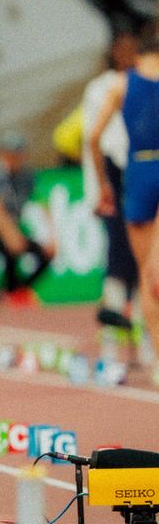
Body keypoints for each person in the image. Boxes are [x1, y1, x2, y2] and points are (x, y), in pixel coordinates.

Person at [88, 21, 159, 382]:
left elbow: (93, 138)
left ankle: (156, 355)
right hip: (147, 169)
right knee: (149, 267)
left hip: (137, 172)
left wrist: (102, 185)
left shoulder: (121, 85)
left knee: (147, 271)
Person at [79, 33, 140, 336]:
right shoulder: (102, 88)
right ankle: (116, 304)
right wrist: (96, 187)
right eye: (123, 48)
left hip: (141, 167)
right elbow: (92, 139)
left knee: (142, 242)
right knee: (120, 237)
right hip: (114, 170)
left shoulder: (145, 81)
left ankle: (138, 309)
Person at [0, 133, 53, 303]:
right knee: (9, 246)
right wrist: (9, 232)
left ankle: (18, 291)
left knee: (45, 253)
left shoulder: (27, 175)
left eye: (18, 154)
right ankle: (11, 291)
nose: (14, 159)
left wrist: (51, 237)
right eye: (10, 154)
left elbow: (43, 204)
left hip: (14, 230)